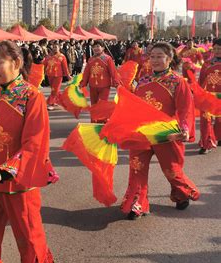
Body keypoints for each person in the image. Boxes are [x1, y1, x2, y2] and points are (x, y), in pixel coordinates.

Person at [0, 41, 60, 263]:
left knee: (30, 242)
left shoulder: (31, 96)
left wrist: (5, 171)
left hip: (19, 184)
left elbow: (35, 142)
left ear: (17, 63)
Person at [121, 42, 200, 220]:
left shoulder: (177, 82)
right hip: (142, 132)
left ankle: (181, 194)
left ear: (169, 59)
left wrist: (185, 128)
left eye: (159, 56)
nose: (155, 60)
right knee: (137, 168)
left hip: (166, 134)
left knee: (172, 170)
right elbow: (134, 106)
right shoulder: (143, 80)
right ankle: (137, 203)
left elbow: (185, 108)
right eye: (152, 56)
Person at [80, 40, 120, 113]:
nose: (96, 48)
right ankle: (94, 121)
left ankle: (101, 122)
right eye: (94, 47)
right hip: (92, 86)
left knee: (102, 105)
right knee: (94, 105)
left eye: (98, 46)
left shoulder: (108, 59)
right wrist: (83, 83)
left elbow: (113, 72)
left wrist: (116, 82)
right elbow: (86, 73)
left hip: (104, 86)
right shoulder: (91, 59)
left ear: (103, 48)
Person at [198, 39, 221, 154]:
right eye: (215, 48)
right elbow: (201, 79)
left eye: (220, 49)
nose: (217, 51)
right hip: (208, 96)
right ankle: (205, 144)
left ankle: (218, 137)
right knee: (205, 120)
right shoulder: (207, 63)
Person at [43, 43, 70, 110]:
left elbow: (65, 67)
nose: (55, 48)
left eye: (56, 47)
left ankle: (50, 103)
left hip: (58, 76)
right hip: (49, 75)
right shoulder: (48, 56)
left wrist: (68, 75)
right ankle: (62, 101)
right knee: (54, 90)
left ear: (59, 48)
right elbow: (44, 65)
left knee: (55, 89)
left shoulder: (62, 56)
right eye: (54, 47)